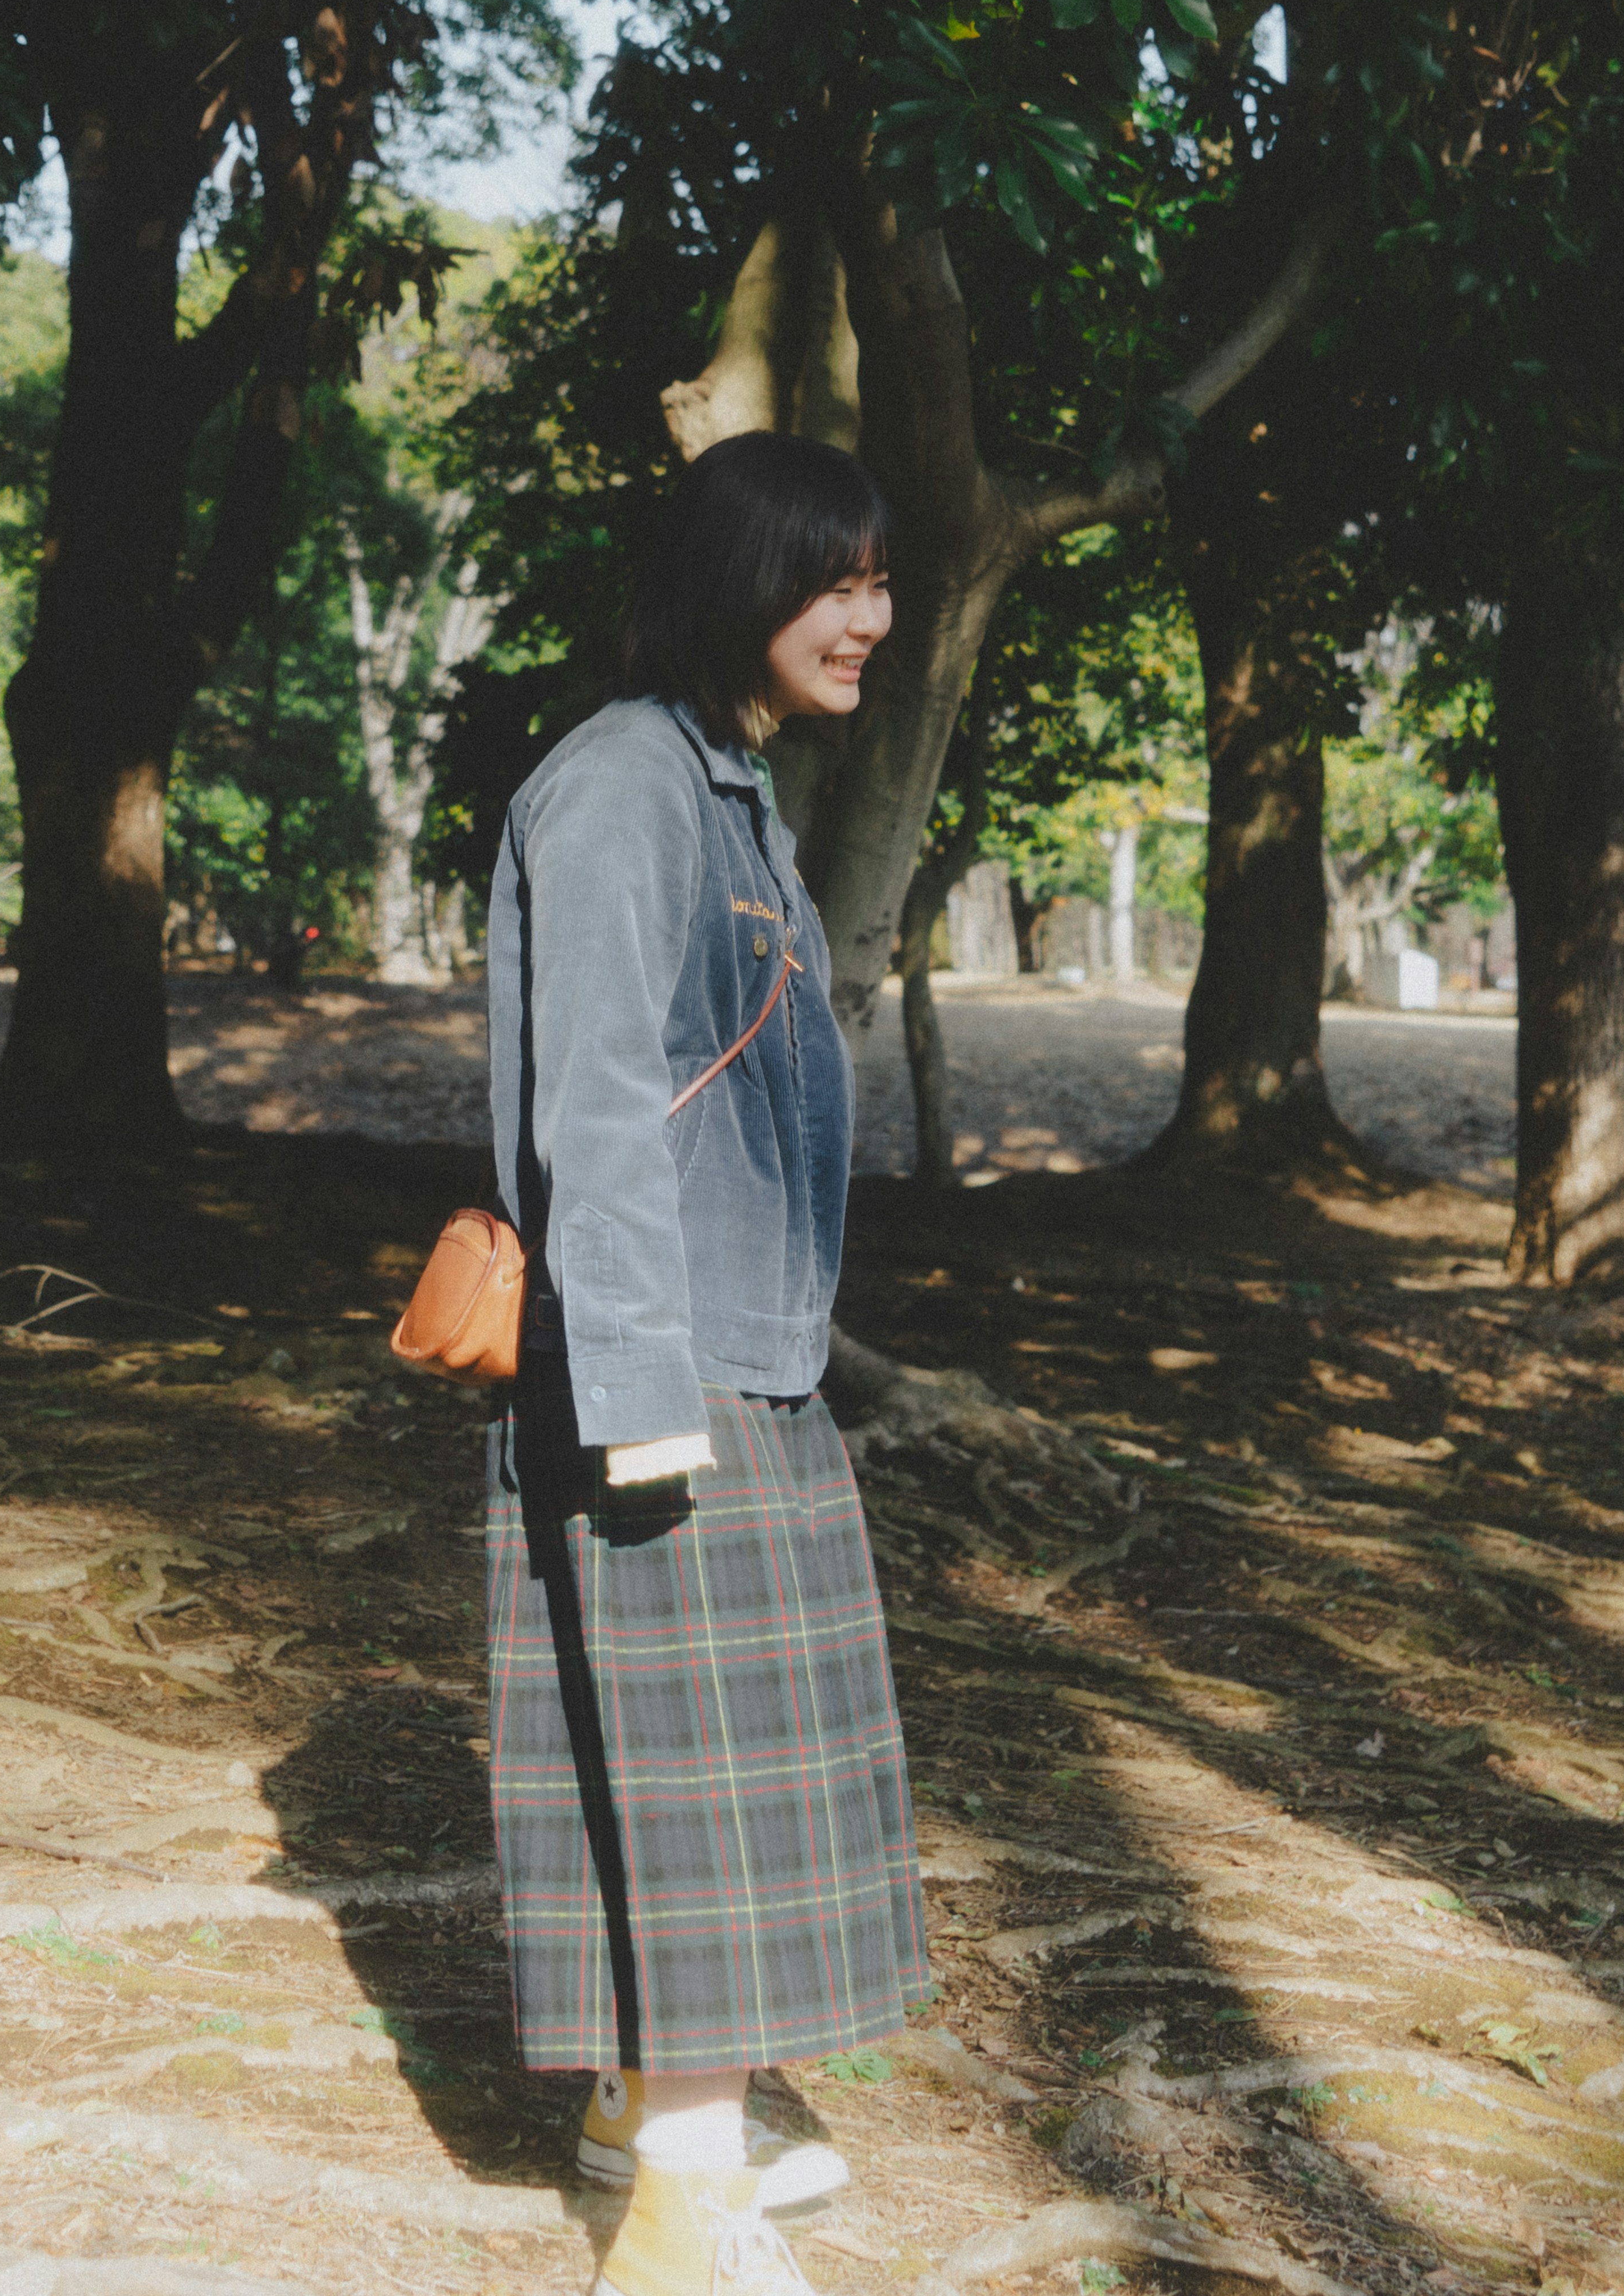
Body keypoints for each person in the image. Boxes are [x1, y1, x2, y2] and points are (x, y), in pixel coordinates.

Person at [484, 431, 928, 2296]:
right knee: (688, 1794)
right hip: (656, 1375)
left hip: (751, 1361)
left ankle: (646, 2116)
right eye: (838, 582)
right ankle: (675, 2214)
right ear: (745, 580)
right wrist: (647, 1389)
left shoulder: (723, 783)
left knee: (746, 1783)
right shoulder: (618, 789)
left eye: (883, 583)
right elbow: (594, 1096)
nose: (873, 619)